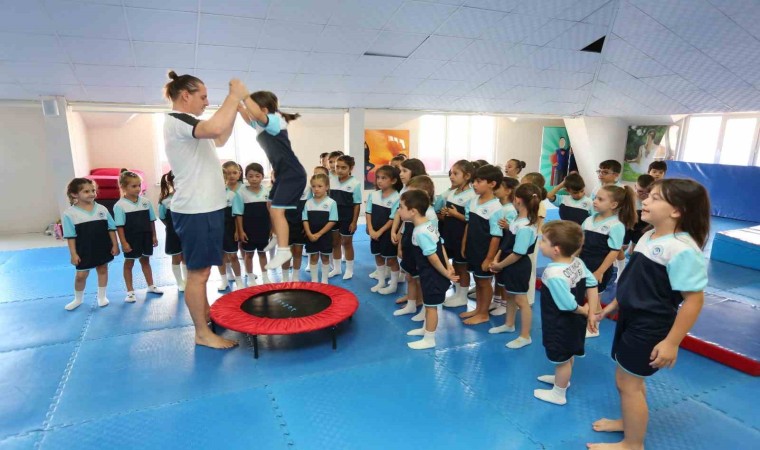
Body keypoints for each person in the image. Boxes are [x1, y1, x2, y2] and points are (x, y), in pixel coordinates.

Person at [588, 179, 710, 450]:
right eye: (648, 196)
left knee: (627, 383)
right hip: (630, 318)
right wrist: (614, 304)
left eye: (655, 198)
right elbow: (636, 280)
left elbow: (694, 301)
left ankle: (633, 443)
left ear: (676, 211)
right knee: (630, 377)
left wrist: (672, 342)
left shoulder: (682, 249)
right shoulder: (649, 235)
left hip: (650, 325)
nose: (645, 200)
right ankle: (629, 421)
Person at [163, 71, 248, 349]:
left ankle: (205, 317)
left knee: (204, 272)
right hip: (196, 211)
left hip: (207, 209)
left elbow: (219, 137)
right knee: (198, 274)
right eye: (203, 96)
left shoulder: (191, 127)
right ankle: (201, 333)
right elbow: (214, 128)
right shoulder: (178, 121)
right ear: (185, 96)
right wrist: (233, 96)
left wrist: (234, 108)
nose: (206, 102)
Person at [238, 90, 308, 270]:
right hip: (283, 173)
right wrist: (239, 107)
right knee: (270, 204)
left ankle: (284, 250)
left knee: (277, 210)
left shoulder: (275, 120)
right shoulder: (261, 124)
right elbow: (249, 120)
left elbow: (256, 115)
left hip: (293, 174)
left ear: (263, 109)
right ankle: (277, 236)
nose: (250, 112)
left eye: (251, 108)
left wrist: (244, 95)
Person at [534, 220, 599, 405]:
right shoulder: (577, 262)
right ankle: (561, 380)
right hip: (574, 323)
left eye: (543, 241)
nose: (540, 244)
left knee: (561, 358)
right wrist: (591, 312)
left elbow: (568, 305)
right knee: (568, 353)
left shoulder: (553, 274)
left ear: (556, 249)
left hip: (559, 324)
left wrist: (585, 311)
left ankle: (558, 393)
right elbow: (592, 283)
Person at [400, 190, 458, 350]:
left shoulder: (420, 232)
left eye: (401, 207)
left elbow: (432, 257)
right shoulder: (428, 225)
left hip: (433, 276)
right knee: (428, 304)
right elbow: (440, 244)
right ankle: (426, 329)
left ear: (413, 211)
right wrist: (448, 265)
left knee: (432, 307)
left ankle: (430, 338)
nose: (399, 211)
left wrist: (446, 272)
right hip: (430, 273)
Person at [489, 183, 542, 349]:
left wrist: (500, 265)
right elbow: (507, 242)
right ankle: (509, 324)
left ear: (517, 200)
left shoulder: (525, 226)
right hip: (508, 263)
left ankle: (525, 336)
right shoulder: (516, 219)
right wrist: (497, 259)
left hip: (518, 266)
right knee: (510, 295)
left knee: (521, 300)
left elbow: (518, 253)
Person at [62, 178, 119, 310]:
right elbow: (70, 236)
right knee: (81, 276)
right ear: (75, 194)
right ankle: (78, 299)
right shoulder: (69, 214)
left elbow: (111, 228)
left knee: (103, 269)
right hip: (83, 249)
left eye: (93, 190)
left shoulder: (102, 209)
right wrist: (73, 254)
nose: (92, 193)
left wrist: (115, 245)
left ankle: (102, 297)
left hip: (102, 246)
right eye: (86, 191)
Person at [460, 164, 504, 325]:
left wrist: (489, 258)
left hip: (484, 251)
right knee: (477, 280)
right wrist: (464, 244)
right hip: (473, 248)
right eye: (474, 181)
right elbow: (469, 225)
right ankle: (478, 309)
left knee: (484, 282)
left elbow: (496, 236)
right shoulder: (473, 201)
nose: (474, 185)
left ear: (492, 184)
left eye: (479, 181)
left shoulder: (496, 207)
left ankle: (484, 313)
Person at [114, 169, 163, 303]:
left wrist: (154, 236)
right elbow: (119, 226)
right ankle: (130, 292)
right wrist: (124, 242)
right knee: (129, 263)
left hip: (146, 237)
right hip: (131, 239)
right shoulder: (120, 206)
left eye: (139, 185)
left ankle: (151, 286)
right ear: (124, 187)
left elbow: (151, 221)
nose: (137, 188)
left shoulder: (146, 202)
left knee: (145, 261)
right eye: (133, 186)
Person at [441, 160, 477, 308]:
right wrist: (445, 213)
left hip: (462, 236)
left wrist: (455, 214)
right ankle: (457, 293)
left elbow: (470, 219)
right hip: (450, 235)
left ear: (467, 176)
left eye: (456, 174)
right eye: (451, 173)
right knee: (455, 264)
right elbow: (448, 214)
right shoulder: (453, 192)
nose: (451, 176)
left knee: (462, 267)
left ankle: (462, 296)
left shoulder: (471, 195)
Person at [366, 165, 402, 293]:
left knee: (391, 259)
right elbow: (368, 212)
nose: (379, 181)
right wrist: (371, 229)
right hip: (374, 232)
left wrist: (380, 232)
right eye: (378, 178)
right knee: (378, 256)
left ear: (393, 180)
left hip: (387, 233)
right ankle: (381, 281)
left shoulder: (397, 197)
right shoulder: (373, 195)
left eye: (383, 178)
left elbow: (392, 218)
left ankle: (393, 285)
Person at [328, 155, 362, 280]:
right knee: (335, 242)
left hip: (347, 217)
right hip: (333, 217)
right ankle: (337, 268)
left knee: (347, 243)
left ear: (350, 168)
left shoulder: (355, 184)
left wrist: (354, 222)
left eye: (343, 167)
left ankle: (349, 269)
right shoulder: (331, 180)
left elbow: (357, 204)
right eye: (337, 167)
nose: (340, 170)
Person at [239, 163, 271, 285]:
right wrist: (241, 230)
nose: (254, 179)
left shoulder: (267, 192)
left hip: (263, 229)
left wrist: (272, 228)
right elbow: (238, 214)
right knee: (249, 254)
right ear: (246, 177)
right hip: (248, 230)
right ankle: (251, 278)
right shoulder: (241, 193)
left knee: (262, 253)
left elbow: (271, 212)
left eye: (257, 176)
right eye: (250, 176)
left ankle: (265, 277)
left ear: (262, 176)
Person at [303, 173, 338, 284]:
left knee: (325, 257)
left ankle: (324, 279)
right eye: (313, 186)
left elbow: (332, 221)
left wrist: (319, 234)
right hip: (311, 235)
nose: (316, 189)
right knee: (313, 257)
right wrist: (309, 234)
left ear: (327, 187)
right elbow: (305, 219)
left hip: (325, 236)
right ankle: (314, 280)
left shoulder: (331, 203)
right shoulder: (308, 203)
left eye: (319, 186)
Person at [217, 161, 245, 290]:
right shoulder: (217, 192)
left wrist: (237, 230)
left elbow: (237, 214)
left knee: (236, 253)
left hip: (235, 226)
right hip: (219, 227)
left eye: (234, 173)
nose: (231, 176)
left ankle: (241, 278)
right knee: (221, 255)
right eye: (227, 174)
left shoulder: (238, 192)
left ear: (239, 174)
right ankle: (225, 279)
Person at [158, 171, 186, 291]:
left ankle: (187, 280)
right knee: (176, 257)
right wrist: (171, 227)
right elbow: (162, 217)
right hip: (173, 233)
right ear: (170, 182)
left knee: (186, 257)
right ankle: (180, 282)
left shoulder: (188, 198)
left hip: (187, 233)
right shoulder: (165, 201)